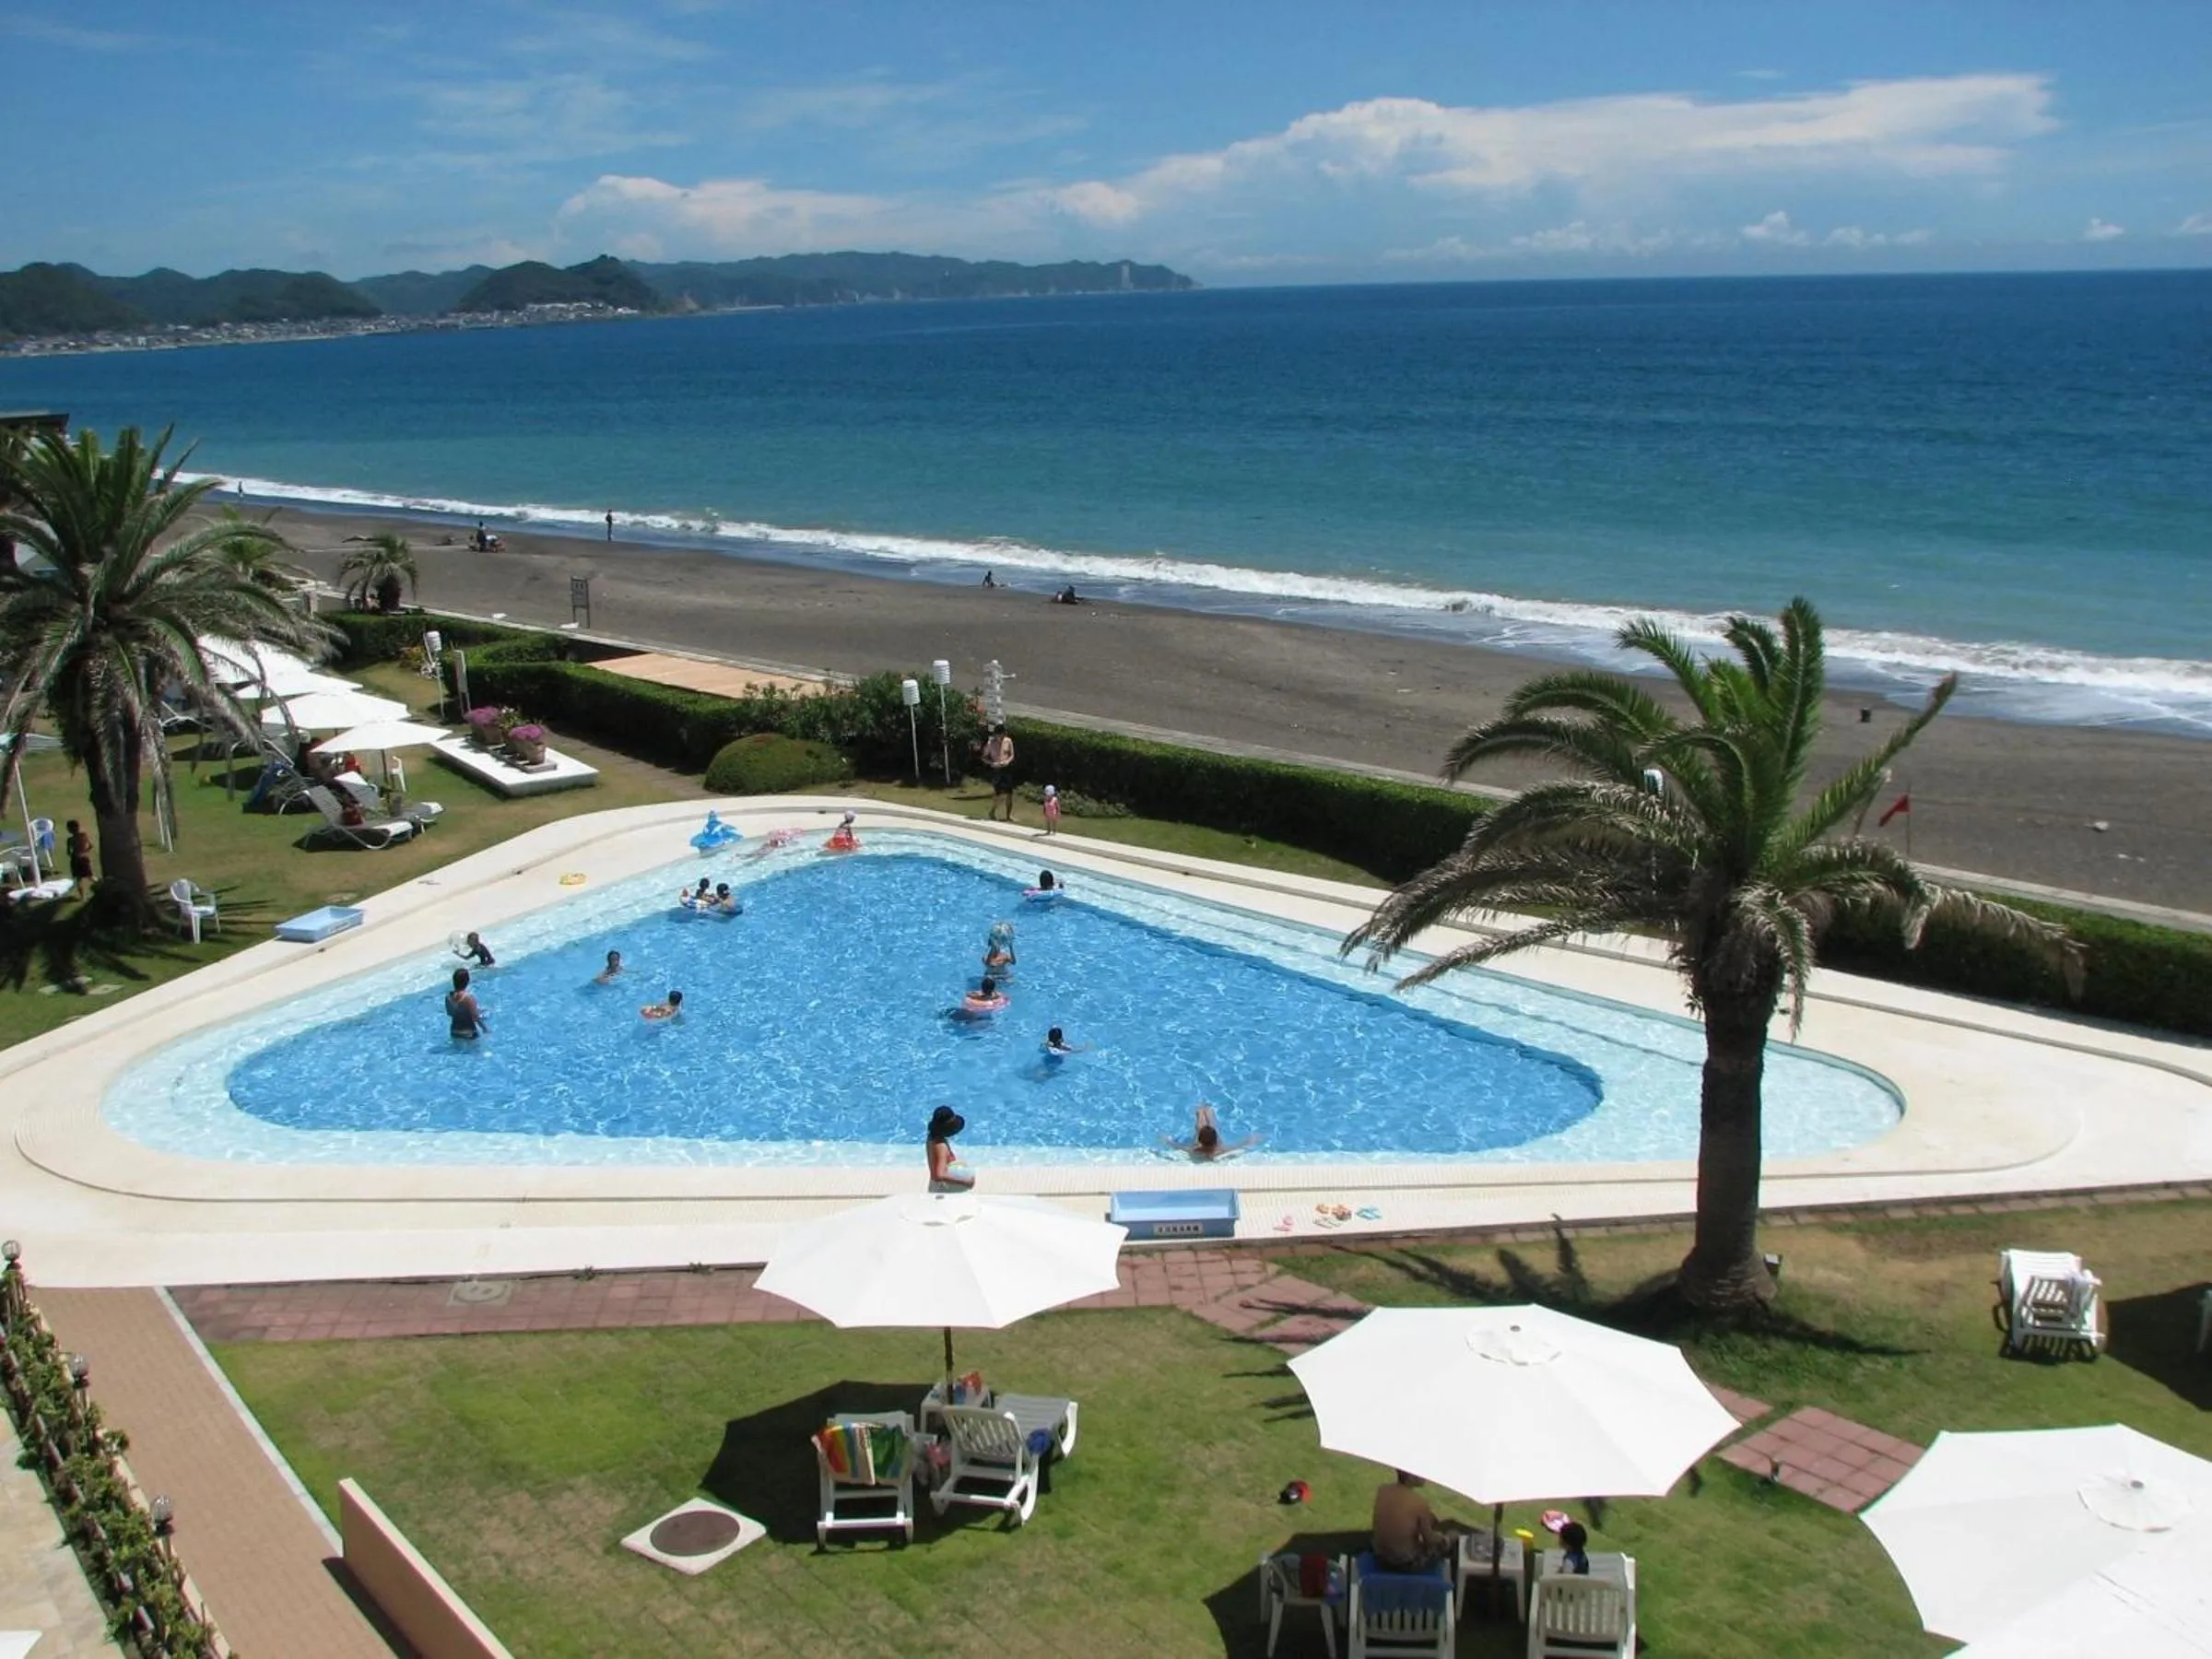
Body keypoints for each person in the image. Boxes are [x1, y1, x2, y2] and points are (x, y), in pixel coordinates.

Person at [1371, 1470, 1464, 1574]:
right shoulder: (1419, 1502)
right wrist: (1445, 1539)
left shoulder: (1383, 1490)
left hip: (1379, 1557)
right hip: (1403, 1563)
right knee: (1453, 1536)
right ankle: (1454, 1578)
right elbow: (1429, 1540)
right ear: (1411, 1476)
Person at [1164, 1102, 1260, 1162]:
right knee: (1211, 1127)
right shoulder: (1218, 1150)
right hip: (1211, 1144)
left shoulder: (1195, 1150)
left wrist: (1168, 1141)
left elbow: (1179, 1146)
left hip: (1201, 1145)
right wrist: (1250, 1140)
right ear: (1215, 1140)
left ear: (1200, 1140)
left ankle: (1201, 1112)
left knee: (1200, 1128)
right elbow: (1236, 1146)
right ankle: (1206, 1112)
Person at [926, 1106, 974, 1193]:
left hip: (936, 1186)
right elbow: (939, 1175)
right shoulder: (941, 1146)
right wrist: (966, 1182)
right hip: (942, 1189)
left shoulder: (932, 1138)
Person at [981, 726, 1016, 822]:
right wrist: (992, 763)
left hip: (1006, 768)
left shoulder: (1008, 741)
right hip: (997, 769)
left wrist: (1008, 761)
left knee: (1009, 793)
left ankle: (1008, 816)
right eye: (999, 735)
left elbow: (1012, 755)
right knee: (999, 794)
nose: (1001, 737)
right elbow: (984, 757)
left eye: (1002, 735)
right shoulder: (991, 743)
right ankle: (992, 812)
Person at [445, 968, 487, 1041]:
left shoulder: (448, 997)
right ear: (467, 981)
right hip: (469, 1033)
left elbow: (450, 1013)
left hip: (454, 1032)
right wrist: (485, 1029)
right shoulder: (468, 997)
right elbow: (476, 1017)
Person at [64, 820, 94, 900]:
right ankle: (100, 886)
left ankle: (82, 897)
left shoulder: (70, 840)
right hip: (84, 858)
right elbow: (91, 846)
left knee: (78, 879)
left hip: (75, 860)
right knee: (90, 876)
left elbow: (68, 852)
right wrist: (84, 851)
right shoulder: (84, 835)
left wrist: (75, 854)